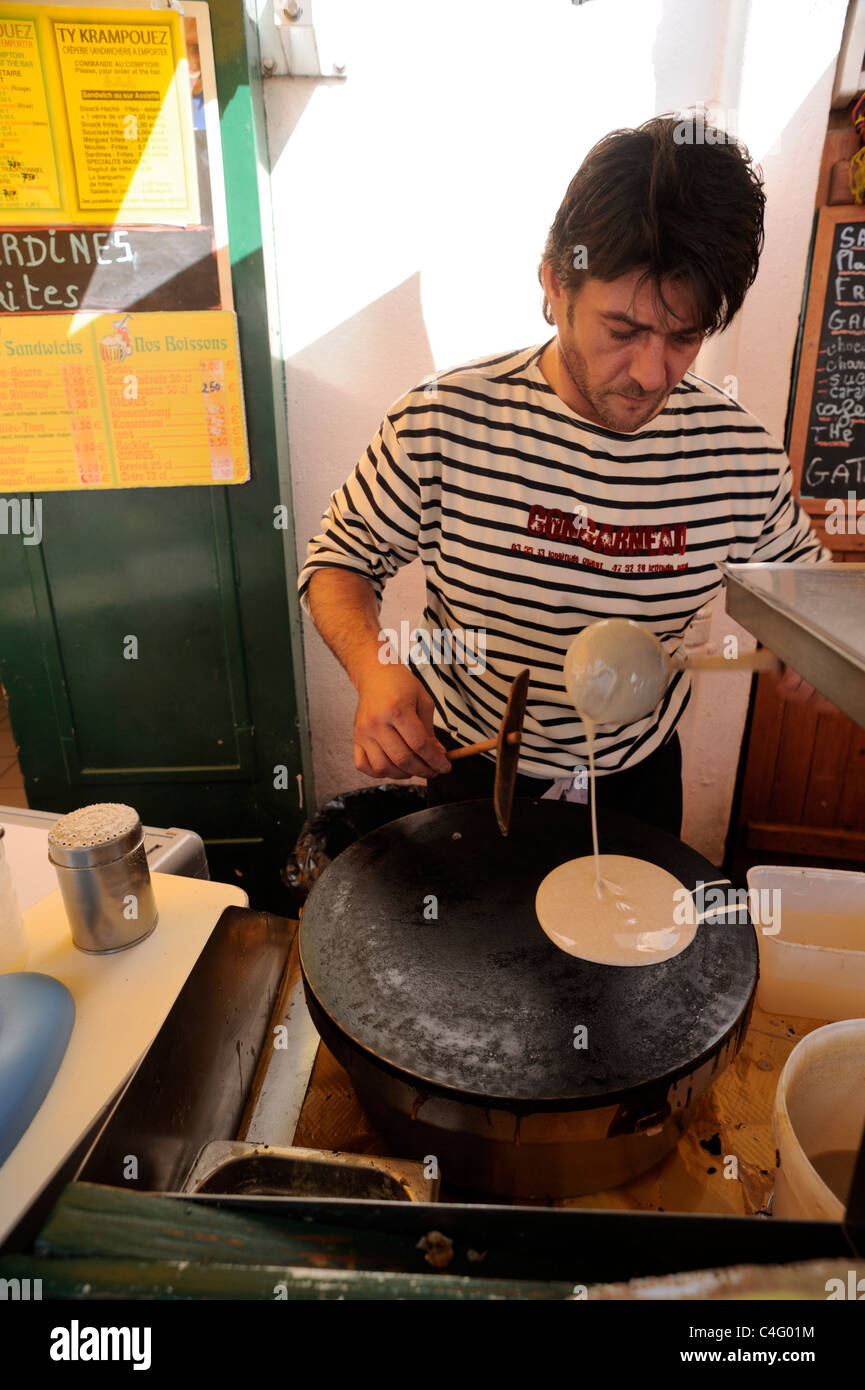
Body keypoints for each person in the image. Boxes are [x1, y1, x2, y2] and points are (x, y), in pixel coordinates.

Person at [297, 116, 834, 839]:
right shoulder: (444, 421)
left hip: (635, 782)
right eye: (623, 330)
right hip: (471, 766)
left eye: (683, 338)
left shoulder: (738, 455)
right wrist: (373, 671)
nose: (651, 374)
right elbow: (339, 560)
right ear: (555, 283)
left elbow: (810, 601)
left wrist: (815, 650)